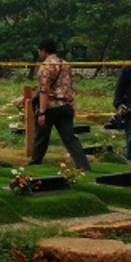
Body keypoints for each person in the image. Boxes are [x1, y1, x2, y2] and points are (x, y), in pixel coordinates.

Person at [29, 39, 91, 172]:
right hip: (66, 106)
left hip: (51, 106)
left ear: (43, 51)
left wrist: (42, 112)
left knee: (41, 136)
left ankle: (35, 164)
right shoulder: (65, 64)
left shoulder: (46, 67)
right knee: (70, 138)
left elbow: (44, 90)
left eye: (39, 51)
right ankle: (84, 166)